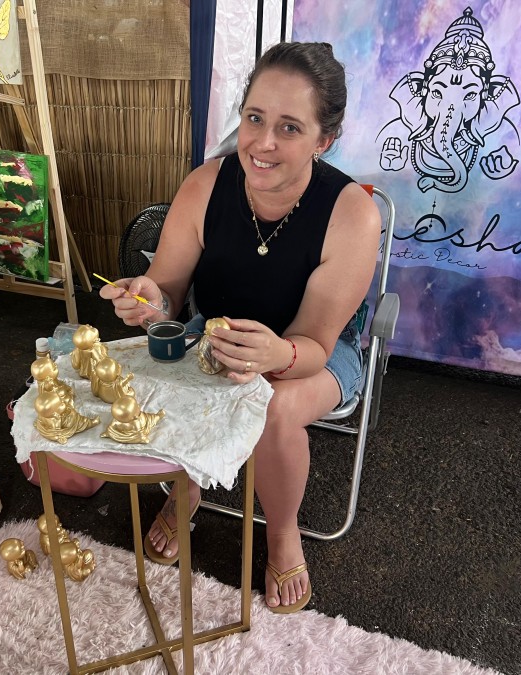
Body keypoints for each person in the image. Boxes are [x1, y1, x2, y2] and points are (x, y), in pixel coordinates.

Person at [99, 41, 381, 613]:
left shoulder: (351, 214)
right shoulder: (205, 186)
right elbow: (168, 292)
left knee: (270, 404)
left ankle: (282, 530)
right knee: (181, 367)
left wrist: (274, 355)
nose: (263, 143)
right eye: (254, 118)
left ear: (324, 140)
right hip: (217, 330)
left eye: (289, 128)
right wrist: (150, 301)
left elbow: (315, 344)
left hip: (315, 350)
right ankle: (189, 485)